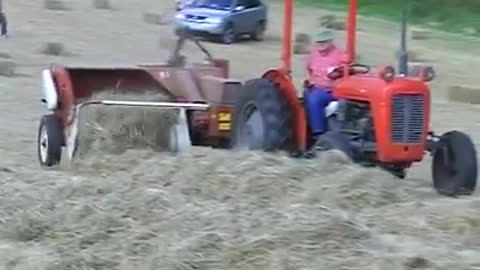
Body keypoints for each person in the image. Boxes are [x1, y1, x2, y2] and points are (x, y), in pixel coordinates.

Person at [303, 28, 345, 139]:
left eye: (323, 42)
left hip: (335, 89)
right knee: (314, 98)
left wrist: (337, 74)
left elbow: (347, 71)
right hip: (319, 89)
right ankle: (318, 132)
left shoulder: (341, 55)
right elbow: (310, 70)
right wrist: (312, 81)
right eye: (318, 42)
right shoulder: (313, 56)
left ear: (330, 42)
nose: (320, 45)